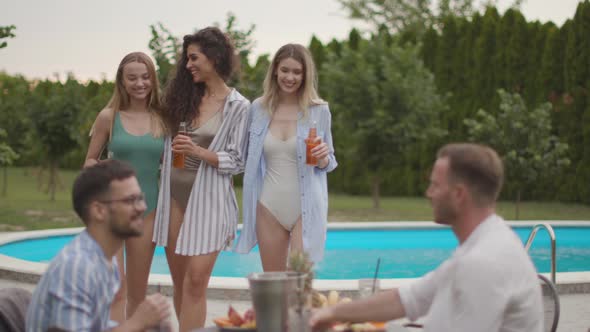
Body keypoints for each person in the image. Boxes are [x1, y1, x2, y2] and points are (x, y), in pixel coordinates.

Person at [310, 143, 543, 332]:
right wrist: (330, 313)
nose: (428, 194)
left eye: (434, 185)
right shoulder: (482, 243)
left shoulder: (484, 262)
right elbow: (407, 300)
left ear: (459, 194)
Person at [152, 27, 250, 331]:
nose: (188, 64)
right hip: (173, 199)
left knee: (196, 282)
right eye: (187, 59)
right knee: (180, 284)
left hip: (210, 202)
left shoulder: (239, 107)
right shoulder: (181, 99)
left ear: (214, 57)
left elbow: (237, 161)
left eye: (194, 58)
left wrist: (198, 151)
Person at [26, 160, 170, 332]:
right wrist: (136, 323)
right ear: (98, 210)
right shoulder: (78, 267)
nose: (142, 207)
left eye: (140, 198)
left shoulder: (105, 260)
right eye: (130, 200)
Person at [234, 43, 337, 269]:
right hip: (268, 206)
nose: (290, 77)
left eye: (297, 72)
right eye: (285, 70)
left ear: (305, 75)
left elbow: (329, 162)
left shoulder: (319, 110)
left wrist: (323, 158)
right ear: (275, 71)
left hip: (306, 207)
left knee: (299, 286)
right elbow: (242, 156)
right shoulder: (258, 108)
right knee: (274, 285)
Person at [83, 52, 165, 321]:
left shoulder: (164, 119)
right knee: (115, 289)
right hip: (112, 212)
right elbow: (90, 160)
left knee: (137, 294)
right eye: (132, 78)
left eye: (145, 77)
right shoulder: (109, 116)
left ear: (153, 80)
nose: (140, 83)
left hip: (148, 212)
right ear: (122, 81)